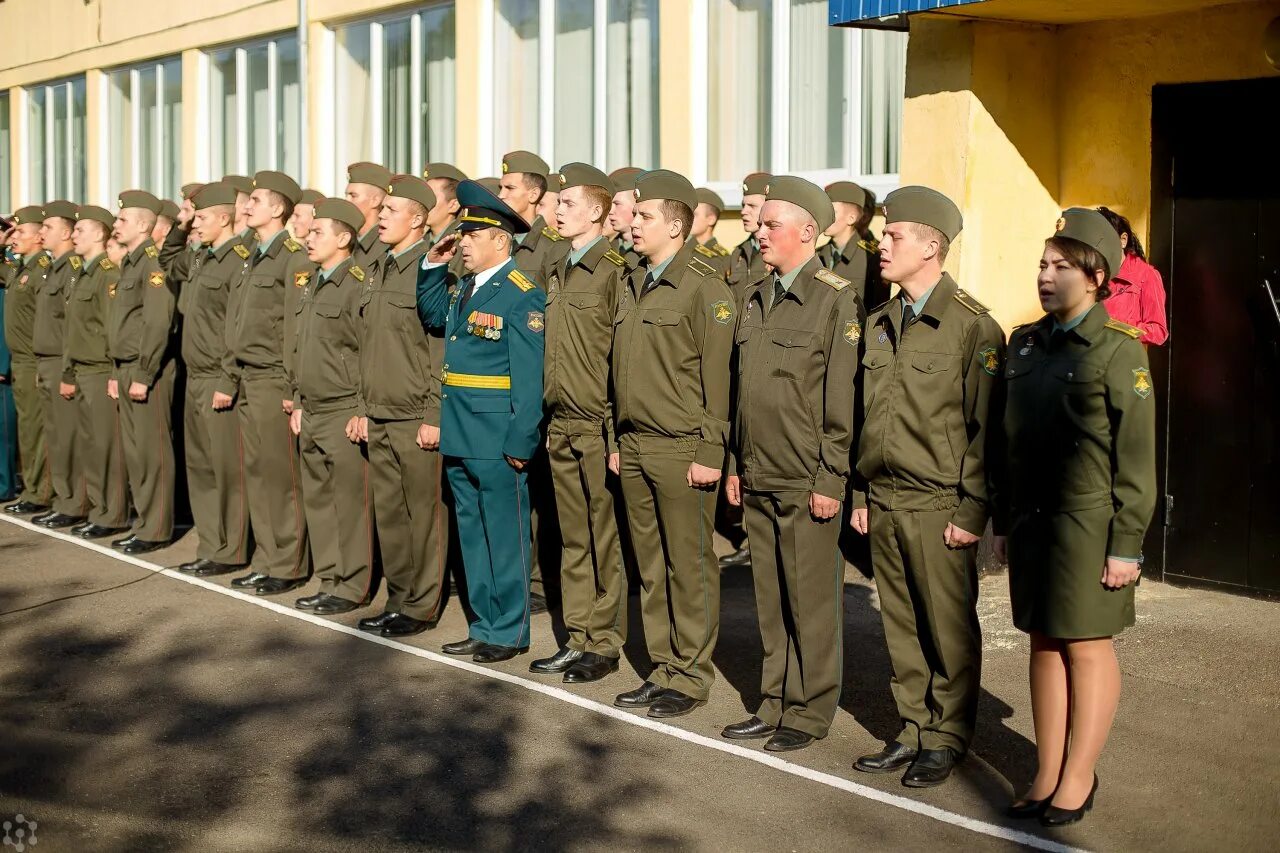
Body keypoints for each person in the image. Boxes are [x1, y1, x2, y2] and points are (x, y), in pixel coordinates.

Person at [993, 209, 1155, 828]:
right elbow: (1012, 439)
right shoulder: (1025, 343)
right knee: (1043, 641)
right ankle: (1047, 767)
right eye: (1042, 264)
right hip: (1034, 521)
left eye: (1061, 266)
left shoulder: (1119, 352)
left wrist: (1127, 545)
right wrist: (1005, 521)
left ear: (1095, 276)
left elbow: (1136, 461)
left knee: (1086, 646)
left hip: (1089, 526)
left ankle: (1079, 773)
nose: (1046, 275)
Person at [850, 186, 1005, 787]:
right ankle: (913, 727)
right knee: (902, 624)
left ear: (931, 247)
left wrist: (972, 510)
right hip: (885, 499)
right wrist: (863, 492)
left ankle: (947, 737)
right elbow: (869, 416)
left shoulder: (972, 326)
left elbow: (985, 430)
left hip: (940, 501)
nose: (881, 244)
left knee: (946, 626)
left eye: (894, 236)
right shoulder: (882, 321)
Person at [721, 177, 864, 752]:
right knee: (770, 598)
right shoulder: (756, 294)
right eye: (758, 225)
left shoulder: (834, 298)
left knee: (810, 600)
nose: (758, 233)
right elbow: (742, 391)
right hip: (759, 468)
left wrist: (832, 478)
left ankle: (809, 709)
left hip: (807, 477)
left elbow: (840, 400)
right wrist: (735, 461)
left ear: (808, 231)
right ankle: (775, 697)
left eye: (770, 224)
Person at [611, 170, 735, 718]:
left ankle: (690, 674)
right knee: (651, 564)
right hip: (636, 443)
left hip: (682, 446)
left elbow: (718, 379)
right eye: (633, 216)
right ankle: (664, 665)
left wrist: (711, 451)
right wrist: (618, 436)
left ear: (677, 225)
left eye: (644, 217)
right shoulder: (633, 278)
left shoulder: (704, 286)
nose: (632, 224)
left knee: (690, 565)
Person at [415, 180, 547, 664]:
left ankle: (509, 632)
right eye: (462, 234)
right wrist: (433, 261)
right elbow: (430, 313)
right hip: (461, 434)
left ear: (500, 240)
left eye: (472, 235)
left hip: (497, 438)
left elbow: (530, 379)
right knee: (473, 534)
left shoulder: (521, 295)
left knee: (505, 537)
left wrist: (520, 440)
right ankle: (483, 624)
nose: (463, 242)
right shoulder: (464, 289)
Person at [528, 163, 630, 684]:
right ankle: (579, 637)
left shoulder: (614, 271)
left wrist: (613, 431)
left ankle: (605, 642)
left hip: (596, 422)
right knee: (573, 536)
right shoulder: (557, 269)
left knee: (602, 535)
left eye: (566, 203)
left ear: (596, 210)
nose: (556, 211)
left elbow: (620, 360)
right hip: (561, 421)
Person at [356, 175, 450, 638]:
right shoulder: (380, 266)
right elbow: (365, 345)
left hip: (415, 414)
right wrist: (362, 405)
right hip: (380, 410)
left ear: (417, 219)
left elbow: (439, 352)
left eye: (391, 210)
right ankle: (398, 598)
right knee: (390, 514)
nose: (381, 217)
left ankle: (422, 604)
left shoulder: (432, 268)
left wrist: (435, 414)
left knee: (424, 515)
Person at [226, 171, 312, 596]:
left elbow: (293, 329)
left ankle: (288, 562)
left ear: (278, 209)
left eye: (255, 200)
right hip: (247, 376)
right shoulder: (252, 255)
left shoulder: (292, 258)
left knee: (281, 477)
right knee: (257, 472)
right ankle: (266, 557)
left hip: (273, 377)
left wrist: (290, 389)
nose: (245, 206)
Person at [290, 199, 374, 615]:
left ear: (344, 238)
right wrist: (300, 401)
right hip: (314, 407)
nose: (309, 237)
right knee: (320, 501)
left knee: (348, 502)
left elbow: (364, 350)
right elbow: (304, 348)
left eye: (318, 231)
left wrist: (361, 407)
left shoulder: (356, 283)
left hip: (343, 408)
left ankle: (352, 583)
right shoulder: (311, 281)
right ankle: (329, 577)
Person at [497, 149, 570, 614]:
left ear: (534, 193)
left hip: (536, 384)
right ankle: (521, 579)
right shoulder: (499, 239)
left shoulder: (551, 247)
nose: (501, 195)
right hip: (497, 382)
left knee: (545, 494)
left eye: (508, 188)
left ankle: (547, 582)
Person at [170, 182, 253, 577]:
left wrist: (228, 377)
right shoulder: (200, 256)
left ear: (224, 218)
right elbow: (168, 264)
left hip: (219, 377)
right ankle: (210, 543)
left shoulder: (239, 259)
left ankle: (231, 548)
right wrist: (181, 224)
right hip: (195, 375)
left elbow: (237, 326)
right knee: (200, 467)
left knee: (226, 469)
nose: (194, 223)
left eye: (200, 217)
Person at [108, 191, 178, 555]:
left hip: (144, 368)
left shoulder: (152, 263)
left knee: (152, 453)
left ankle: (156, 528)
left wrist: (144, 371)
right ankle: (144, 522)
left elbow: (156, 322)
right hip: (127, 366)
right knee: (136, 453)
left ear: (142, 225)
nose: (115, 224)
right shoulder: (132, 262)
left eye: (121, 220)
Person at [63, 206, 130, 539]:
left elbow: (113, 329)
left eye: (80, 230)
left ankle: (113, 512)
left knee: (107, 446)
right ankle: (100, 507)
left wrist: (115, 372)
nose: (74, 235)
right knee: (91, 445)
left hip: (102, 370)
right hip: (83, 369)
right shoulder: (85, 273)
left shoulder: (108, 275)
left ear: (100, 234)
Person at [31, 201, 89, 528]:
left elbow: (72, 326)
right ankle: (64, 498)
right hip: (45, 361)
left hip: (61, 361)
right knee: (55, 436)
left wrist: (68, 370)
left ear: (66, 233)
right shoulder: (51, 267)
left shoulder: (72, 269)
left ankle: (75, 501)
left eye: (48, 227)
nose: (42, 233)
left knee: (69, 437)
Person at [2, 207, 52, 515]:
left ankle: (41, 492)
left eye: (21, 232)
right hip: (20, 360)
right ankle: (33, 489)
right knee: (27, 431)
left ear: (37, 237)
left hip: (34, 360)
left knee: (38, 431)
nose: (14, 237)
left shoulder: (42, 269)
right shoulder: (20, 268)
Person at [1096, 207, 1168, 345]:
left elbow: (1158, 332)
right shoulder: (1089, 274)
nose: (1098, 247)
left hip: (1124, 361)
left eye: (1103, 240)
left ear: (1123, 240)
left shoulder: (1147, 275)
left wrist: (1116, 325)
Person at [823, 181, 885, 308]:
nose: (825, 217)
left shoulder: (871, 258)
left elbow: (876, 308)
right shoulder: (817, 255)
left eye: (833, 212)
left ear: (851, 218)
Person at [724, 172, 772, 298]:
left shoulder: (780, 251)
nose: (743, 211)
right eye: (743, 205)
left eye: (752, 206)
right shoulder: (738, 253)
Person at [345, 162, 394, 275]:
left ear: (375, 201)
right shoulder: (348, 242)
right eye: (346, 195)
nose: (346, 202)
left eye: (353, 196)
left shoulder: (385, 247)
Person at [607, 167, 644, 268]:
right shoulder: (606, 249)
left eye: (617, 204)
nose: (610, 211)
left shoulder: (652, 251)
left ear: (637, 205)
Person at [691, 188, 731, 276]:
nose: (688, 219)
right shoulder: (682, 249)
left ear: (711, 219)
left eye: (694, 214)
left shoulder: (720, 258)